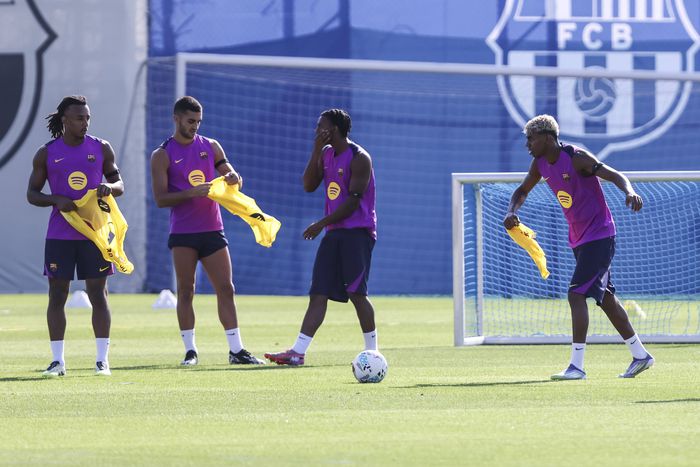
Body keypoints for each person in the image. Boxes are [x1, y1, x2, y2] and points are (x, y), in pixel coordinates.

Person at [503, 114, 654, 380]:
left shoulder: (576, 157)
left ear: (548, 138)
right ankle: (641, 355)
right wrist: (511, 211)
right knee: (605, 299)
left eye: (532, 138)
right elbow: (522, 191)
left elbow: (614, 174)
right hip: (579, 239)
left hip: (600, 235)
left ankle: (577, 366)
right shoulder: (539, 163)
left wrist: (629, 191)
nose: (528, 144)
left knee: (576, 294)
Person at [150, 96, 264, 366]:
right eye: (190, 121)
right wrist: (192, 193)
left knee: (226, 288)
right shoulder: (162, 154)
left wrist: (234, 177)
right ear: (176, 118)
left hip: (212, 228)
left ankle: (236, 350)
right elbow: (160, 199)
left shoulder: (210, 146)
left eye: (199, 122)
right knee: (186, 290)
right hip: (184, 232)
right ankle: (190, 351)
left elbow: (229, 172)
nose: (195, 127)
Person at [265, 108, 378, 366]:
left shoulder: (360, 158)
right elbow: (308, 185)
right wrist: (316, 150)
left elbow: (353, 202)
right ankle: (298, 352)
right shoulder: (326, 154)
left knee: (356, 294)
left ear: (334, 130)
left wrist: (320, 224)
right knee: (319, 292)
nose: (317, 131)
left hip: (357, 233)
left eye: (320, 127)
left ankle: (373, 352)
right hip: (334, 232)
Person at [27, 95, 124, 377]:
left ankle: (102, 361)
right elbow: (32, 194)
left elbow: (119, 182)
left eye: (88, 117)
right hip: (60, 235)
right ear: (65, 120)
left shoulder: (102, 148)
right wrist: (55, 199)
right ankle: (58, 362)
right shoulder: (46, 153)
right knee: (57, 295)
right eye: (79, 118)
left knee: (98, 294)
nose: (85, 122)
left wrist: (110, 187)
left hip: (95, 233)